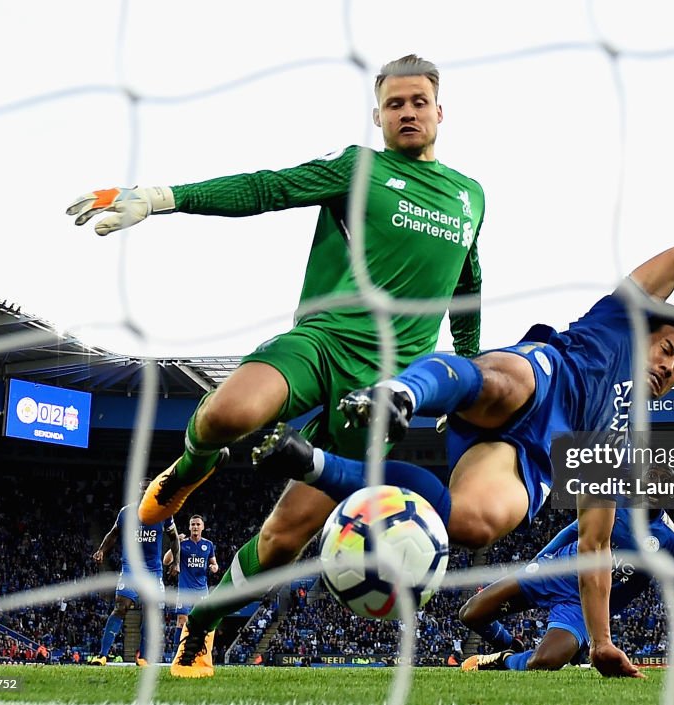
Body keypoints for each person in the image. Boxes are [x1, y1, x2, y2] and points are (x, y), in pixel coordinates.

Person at [67, 54, 485, 677]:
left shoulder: (469, 195)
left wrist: (474, 375)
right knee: (227, 413)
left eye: (418, 102)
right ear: (378, 115)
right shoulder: (358, 168)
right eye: (394, 104)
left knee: (283, 541)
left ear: (439, 111)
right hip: (325, 342)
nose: (407, 112)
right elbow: (270, 187)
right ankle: (187, 472)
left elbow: (468, 289)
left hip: (383, 393)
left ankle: (202, 630)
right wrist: (163, 198)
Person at [255, 243, 674, 677]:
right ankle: (401, 396)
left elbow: (595, 546)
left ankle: (315, 465)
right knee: (504, 381)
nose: (670, 365)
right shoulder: (620, 323)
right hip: (547, 377)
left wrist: (601, 642)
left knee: (473, 524)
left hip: (527, 458)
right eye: (668, 349)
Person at [457, 494, 674, 672]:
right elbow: (573, 529)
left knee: (546, 660)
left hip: (582, 605)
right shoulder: (615, 504)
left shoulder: (670, 540)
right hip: (553, 572)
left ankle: (507, 660)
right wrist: (541, 558)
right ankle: (508, 645)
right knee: (470, 613)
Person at [89, 484, 179, 666]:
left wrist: (176, 562)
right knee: (121, 607)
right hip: (131, 568)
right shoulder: (126, 513)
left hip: (153, 571)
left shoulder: (163, 513)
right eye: (141, 491)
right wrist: (101, 551)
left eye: (148, 491)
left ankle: (144, 658)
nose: (144, 493)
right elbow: (113, 534)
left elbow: (174, 537)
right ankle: (102, 655)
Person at [163, 515, 218, 652]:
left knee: (202, 623)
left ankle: (199, 654)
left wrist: (214, 568)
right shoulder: (182, 544)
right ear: (189, 527)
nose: (195, 527)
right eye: (193, 524)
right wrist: (176, 542)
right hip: (185, 590)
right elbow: (166, 560)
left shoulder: (208, 545)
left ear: (202, 527)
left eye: (198, 524)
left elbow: (214, 563)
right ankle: (177, 654)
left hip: (201, 591)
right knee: (182, 621)